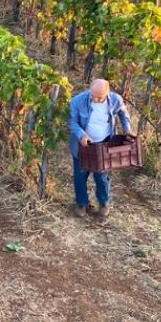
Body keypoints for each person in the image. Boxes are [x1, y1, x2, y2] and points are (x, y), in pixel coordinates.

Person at [68, 79, 134, 218]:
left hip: (104, 144)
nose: (95, 99)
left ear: (107, 93)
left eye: (100, 97)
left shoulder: (115, 100)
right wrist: (81, 135)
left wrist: (127, 128)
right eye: (93, 95)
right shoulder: (77, 101)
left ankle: (104, 202)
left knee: (101, 177)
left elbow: (124, 114)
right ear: (90, 90)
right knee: (80, 177)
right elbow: (73, 121)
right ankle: (81, 204)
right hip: (83, 145)